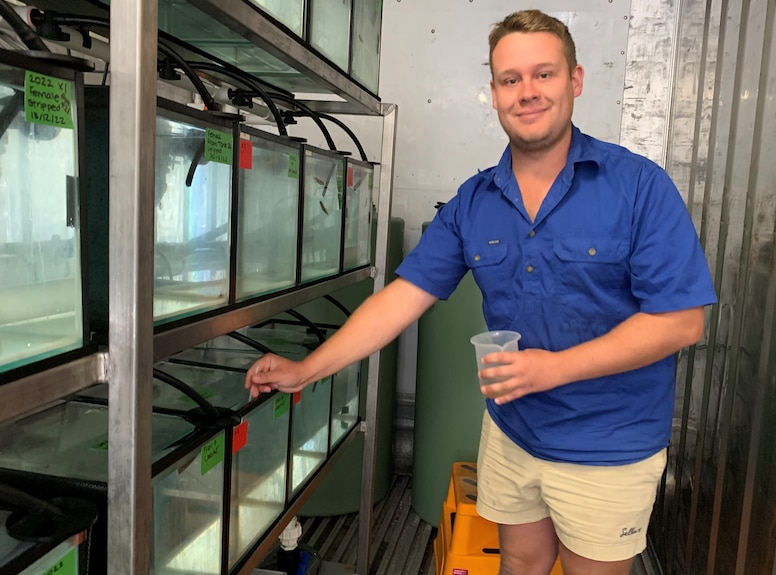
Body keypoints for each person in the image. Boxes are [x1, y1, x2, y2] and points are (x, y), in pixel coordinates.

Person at [245, 9, 716, 575]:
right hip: (515, 429)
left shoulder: (639, 187)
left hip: (608, 445)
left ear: (576, 80)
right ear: (493, 92)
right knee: (519, 561)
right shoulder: (475, 201)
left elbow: (682, 322)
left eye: (544, 74)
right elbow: (401, 299)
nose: (527, 92)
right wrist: (306, 370)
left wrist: (553, 369)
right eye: (510, 79)